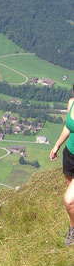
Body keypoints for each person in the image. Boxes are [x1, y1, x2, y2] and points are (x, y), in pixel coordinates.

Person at [50, 84, 74, 245]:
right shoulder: (72, 102)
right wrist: (57, 145)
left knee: (69, 200)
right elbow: (68, 126)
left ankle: (72, 232)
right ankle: (71, 227)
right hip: (70, 156)